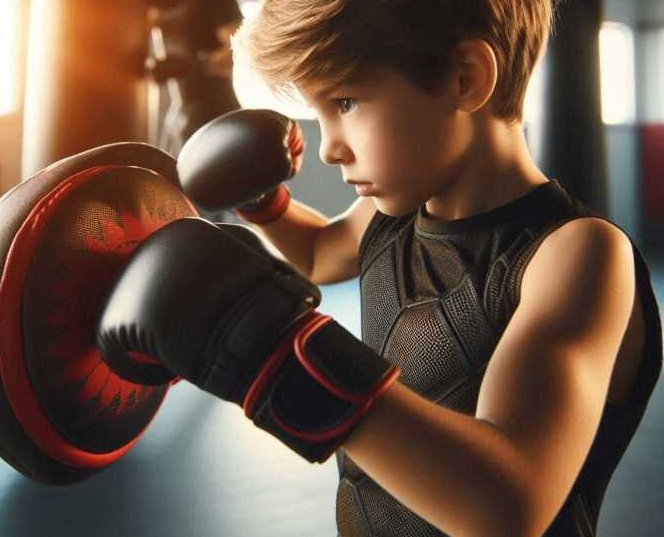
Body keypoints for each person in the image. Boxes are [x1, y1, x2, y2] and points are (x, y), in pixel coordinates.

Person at [99, 1, 663, 536]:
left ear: (464, 78)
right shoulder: (391, 212)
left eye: (345, 102)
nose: (327, 150)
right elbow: (319, 254)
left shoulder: (576, 255)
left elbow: (508, 506)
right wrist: (261, 202)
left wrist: (280, 362)